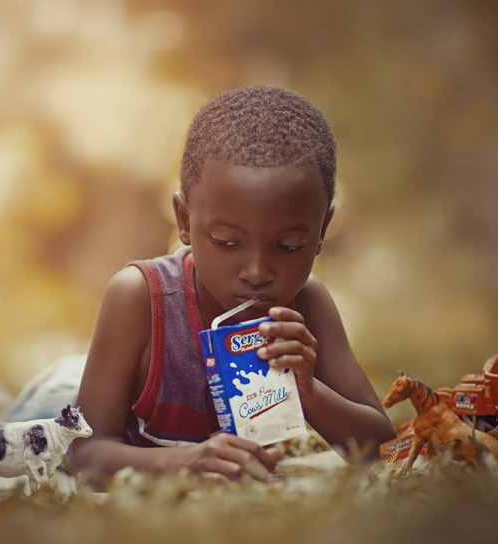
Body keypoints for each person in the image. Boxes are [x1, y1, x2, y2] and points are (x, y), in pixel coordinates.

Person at [69, 86, 397, 483]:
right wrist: (187, 463)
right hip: (69, 394)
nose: (258, 272)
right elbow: (82, 453)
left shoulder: (306, 304)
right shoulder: (139, 296)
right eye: (227, 242)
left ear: (322, 229)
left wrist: (310, 393)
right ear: (185, 222)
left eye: (289, 246)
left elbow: (383, 448)